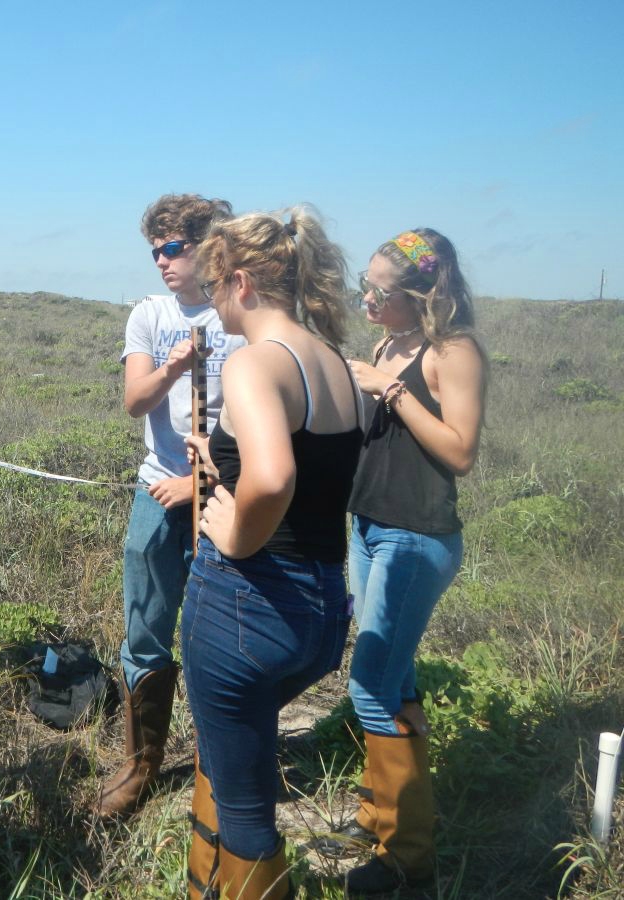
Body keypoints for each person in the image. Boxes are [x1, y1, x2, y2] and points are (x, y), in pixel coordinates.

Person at [181, 209, 363, 899]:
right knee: (240, 757)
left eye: (213, 287)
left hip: (244, 604)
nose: (211, 301)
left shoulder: (255, 362)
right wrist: (217, 456)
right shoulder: (332, 362)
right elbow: (311, 471)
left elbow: (277, 477)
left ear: (243, 282)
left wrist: (233, 534)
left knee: (248, 809)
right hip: (319, 609)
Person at [332, 230, 485, 895]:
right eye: (364, 284)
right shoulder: (388, 343)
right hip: (369, 527)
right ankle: (378, 818)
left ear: (422, 296)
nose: (366, 298)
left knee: (370, 683)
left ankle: (408, 858)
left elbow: (460, 452)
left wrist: (390, 390)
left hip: (415, 537)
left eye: (381, 291)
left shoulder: (454, 351)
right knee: (394, 679)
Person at [95, 193, 245, 819]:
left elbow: (251, 426)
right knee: (146, 624)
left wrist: (204, 485)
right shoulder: (150, 316)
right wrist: (174, 366)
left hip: (226, 491)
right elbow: (135, 401)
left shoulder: (239, 316)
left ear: (208, 246)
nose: (161, 259)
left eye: (173, 247)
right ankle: (141, 763)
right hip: (156, 489)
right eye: (155, 249)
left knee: (222, 632)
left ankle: (224, 764)